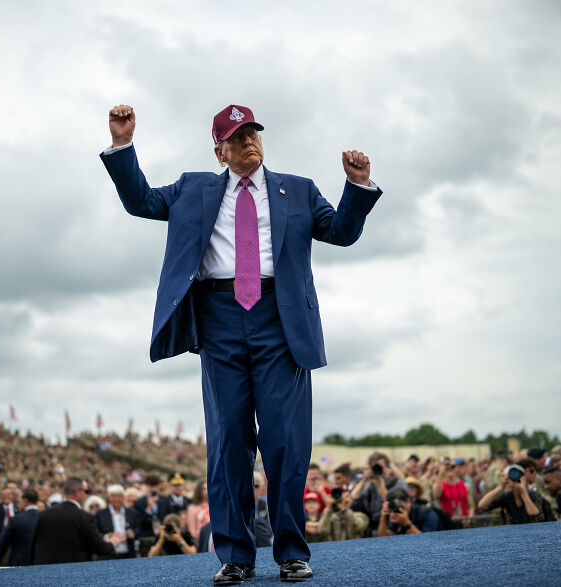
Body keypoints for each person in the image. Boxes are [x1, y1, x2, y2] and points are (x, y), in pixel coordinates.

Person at [101, 103, 379, 585]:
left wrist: (356, 187)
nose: (248, 140)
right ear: (219, 149)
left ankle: (291, 550)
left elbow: (342, 233)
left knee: (285, 443)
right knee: (229, 439)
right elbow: (140, 201)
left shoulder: (300, 189)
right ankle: (235, 555)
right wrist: (123, 145)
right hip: (219, 320)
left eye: (253, 132)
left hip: (280, 320)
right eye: (237, 135)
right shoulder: (193, 188)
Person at [29, 477, 121, 565]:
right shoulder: (85, 517)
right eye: (85, 491)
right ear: (77, 492)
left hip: (45, 571)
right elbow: (98, 547)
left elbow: (34, 545)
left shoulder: (44, 514)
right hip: (74, 572)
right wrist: (113, 543)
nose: (86, 494)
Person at [477, 465, 545, 524]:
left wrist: (523, 491)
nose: (514, 481)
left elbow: (534, 514)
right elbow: (482, 505)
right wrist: (501, 486)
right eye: (510, 478)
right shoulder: (507, 497)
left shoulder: (532, 494)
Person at [0, 489, 40, 567]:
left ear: (25, 501)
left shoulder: (15, 520)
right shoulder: (45, 518)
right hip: (41, 565)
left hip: (19, 566)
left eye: (19, 501)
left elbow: (2, 546)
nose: (18, 504)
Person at [376, 487, 442, 536]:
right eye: (392, 506)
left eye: (399, 505)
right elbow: (384, 538)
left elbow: (427, 540)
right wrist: (383, 518)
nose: (396, 509)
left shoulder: (427, 513)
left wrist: (406, 522)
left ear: (408, 501)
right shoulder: (396, 513)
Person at [95, 484, 138, 559]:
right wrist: (107, 536)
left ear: (123, 498)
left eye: (118, 496)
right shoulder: (100, 514)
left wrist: (132, 533)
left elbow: (138, 528)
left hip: (128, 554)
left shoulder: (131, 513)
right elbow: (95, 532)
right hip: (108, 555)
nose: (116, 499)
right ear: (109, 498)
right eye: (113, 496)